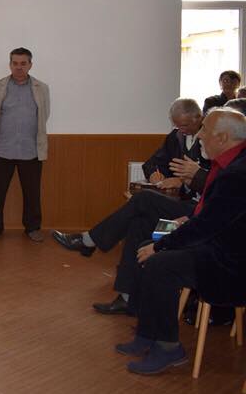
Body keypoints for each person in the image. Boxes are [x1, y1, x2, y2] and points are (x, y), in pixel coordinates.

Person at [117, 108, 246, 375]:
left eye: (205, 130)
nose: (200, 136)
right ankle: (147, 334)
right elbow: (214, 217)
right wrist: (184, 223)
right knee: (146, 248)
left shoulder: (238, 173)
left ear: (222, 138)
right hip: (220, 247)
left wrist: (161, 246)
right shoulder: (232, 163)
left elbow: (206, 227)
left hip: (231, 264)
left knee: (159, 263)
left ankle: (168, 347)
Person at [52, 98, 210, 314]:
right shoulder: (176, 137)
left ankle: (89, 240)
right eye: (177, 125)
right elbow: (151, 163)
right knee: (138, 224)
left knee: (143, 199)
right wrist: (154, 174)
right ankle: (127, 298)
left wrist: (183, 180)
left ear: (198, 117)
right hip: (181, 206)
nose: (181, 130)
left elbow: (215, 184)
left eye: (184, 125)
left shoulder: (211, 143)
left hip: (198, 215)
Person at [0, 47, 50, 242]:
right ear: (10, 64)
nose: (19, 67)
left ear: (30, 65)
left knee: (32, 193)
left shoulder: (41, 88)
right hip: (2, 149)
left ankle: (32, 228)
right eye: (15, 63)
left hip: (31, 151)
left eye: (23, 63)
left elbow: (44, 116)